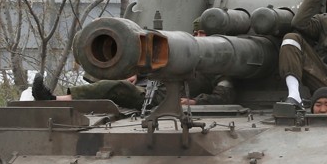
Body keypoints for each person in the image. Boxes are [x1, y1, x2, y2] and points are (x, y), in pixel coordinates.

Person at [28, 21, 236, 107]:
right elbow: (161, 65)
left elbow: (224, 96)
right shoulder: (184, 54)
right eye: (197, 33)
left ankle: (53, 99)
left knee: (114, 88)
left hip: (162, 100)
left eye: (204, 34)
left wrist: (195, 102)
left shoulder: (221, 65)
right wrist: (139, 74)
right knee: (107, 81)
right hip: (153, 92)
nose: (200, 37)